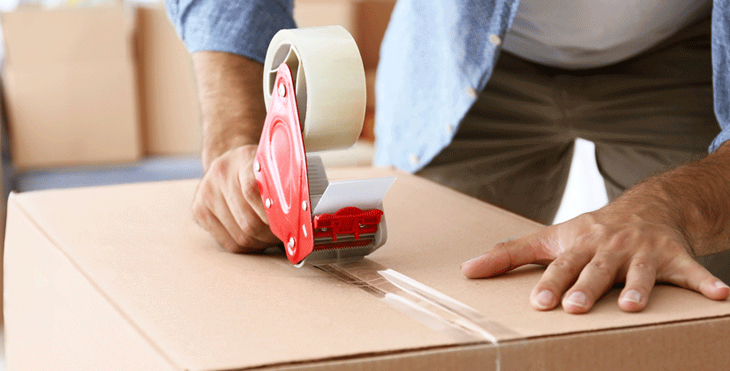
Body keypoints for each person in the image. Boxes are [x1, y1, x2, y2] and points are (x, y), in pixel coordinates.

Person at [164, 0, 730, 314]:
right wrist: (239, 139)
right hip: (459, 41)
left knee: (698, 303)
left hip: (687, 52)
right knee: (410, 296)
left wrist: (674, 207)